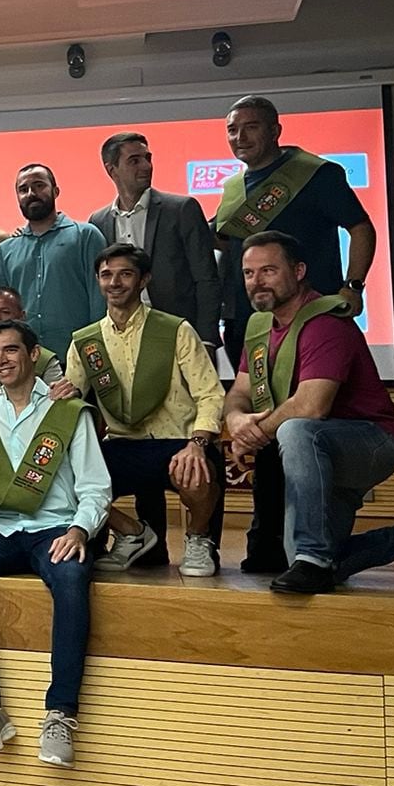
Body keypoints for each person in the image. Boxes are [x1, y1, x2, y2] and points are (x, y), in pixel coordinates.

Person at [224, 231, 394, 594]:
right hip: (316, 454)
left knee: (296, 430)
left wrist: (256, 432)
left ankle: (312, 556)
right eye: (249, 273)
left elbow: (311, 407)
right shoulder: (259, 325)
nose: (257, 282)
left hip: (371, 441)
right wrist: (235, 421)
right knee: (317, 562)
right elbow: (240, 392)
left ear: (298, 271)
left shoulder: (325, 322)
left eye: (268, 271)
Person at [0, 319, 107, 767]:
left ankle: (61, 714)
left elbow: (95, 486)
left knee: (73, 574)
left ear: (33, 354)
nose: (1, 360)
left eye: (11, 351)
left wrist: (80, 530)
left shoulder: (66, 411)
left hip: (56, 527)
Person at [67, 244, 227, 575]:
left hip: (178, 441)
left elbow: (210, 394)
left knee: (197, 474)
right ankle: (134, 534)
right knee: (64, 475)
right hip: (124, 443)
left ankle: (198, 539)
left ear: (144, 280)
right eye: (106, 275)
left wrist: (197, 444)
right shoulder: (86, 341)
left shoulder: (176, 329)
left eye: (125, 274)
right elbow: (71, 398)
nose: (114, 283)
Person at [216, 96, 375, 362]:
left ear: (275, 131)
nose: (240, 137)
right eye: (232, 130)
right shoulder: (233, 188)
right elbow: (229, 243)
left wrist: (353, 286)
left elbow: (360, 228)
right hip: (250, 318)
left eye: (251, 127)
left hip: (309, 313)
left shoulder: (316, 174)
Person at [87, 133, 221, 347]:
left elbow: (207, 278)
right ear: (111, 169)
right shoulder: (98, 221)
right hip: (123, 338)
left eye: (148, 158)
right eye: (134, 161)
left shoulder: (182, 209)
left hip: (180, 333)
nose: (146, 166)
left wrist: (206, 339)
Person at [0, 164, 105, 356]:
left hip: (79, 357)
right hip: (26, 362)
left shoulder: (85, 236)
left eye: (38, 185)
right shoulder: (6, 251)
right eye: (23, 189)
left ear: (56, 190)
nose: (31, 193)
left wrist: (93, 350)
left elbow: (100, 300)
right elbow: (1, 311)